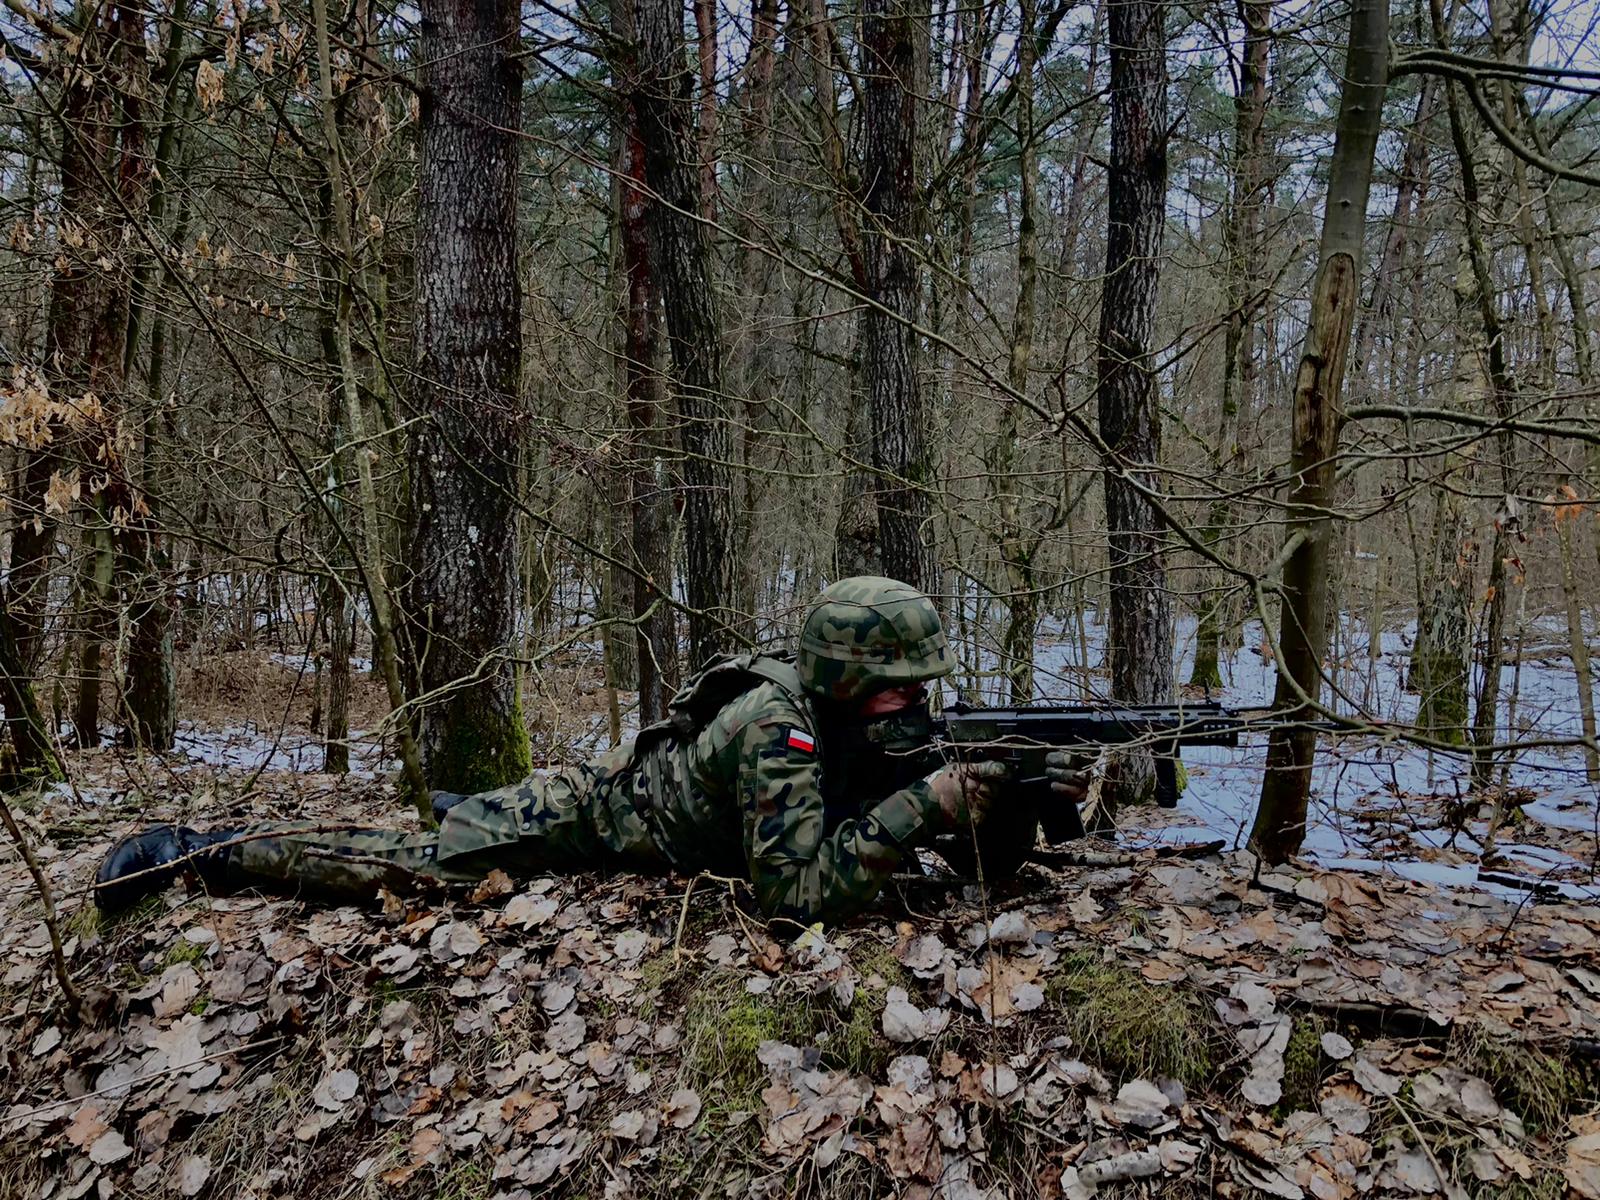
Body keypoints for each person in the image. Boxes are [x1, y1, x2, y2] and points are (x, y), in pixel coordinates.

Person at [94, 576, 1085, 926]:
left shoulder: (855, 721)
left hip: (662, 816)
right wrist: (929, 804)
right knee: (415, 868)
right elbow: (791, 899)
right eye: (897, 684)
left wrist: (1013, 808)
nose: (913, 703)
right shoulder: (775, 728)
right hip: (592, 818)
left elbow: (933, 837)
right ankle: (195, 848)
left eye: (921, 686)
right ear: (839, 675)